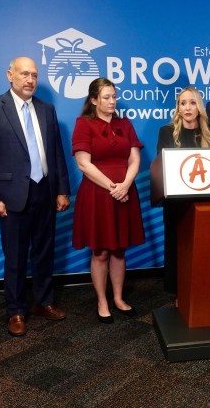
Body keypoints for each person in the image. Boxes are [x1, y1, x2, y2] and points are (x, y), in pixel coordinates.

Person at [0, 57, 70, 336]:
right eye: (24, 74)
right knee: (15, 257)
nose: (30, 79)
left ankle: (44, 302)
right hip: (12, 196)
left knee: (44, 252)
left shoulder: (47, 109)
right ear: (10, 75)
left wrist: (62, 189)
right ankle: (16, 310)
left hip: (45, 192)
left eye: (34, 74)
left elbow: (56, 153)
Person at [71, 77, 145, 324]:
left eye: (114, 96)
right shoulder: (83, 124)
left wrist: (125, 185)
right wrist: (112, 187)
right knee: (101, 251)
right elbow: (83, 163)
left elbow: (135, 159)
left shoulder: (125, 124)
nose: (112, 101)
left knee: (119, 250)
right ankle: (102, 301)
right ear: (93, 100)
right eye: (106, 97)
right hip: (97, 196)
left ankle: (118, 298)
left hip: (125, 193)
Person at [156, 86, 210, 294]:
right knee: (176, 247)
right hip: (176, 202)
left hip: (204, 202)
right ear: (178, 108)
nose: (187, 107)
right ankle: (177, 292)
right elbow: (162, 165)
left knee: (202, 247)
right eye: (183, 103)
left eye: (192, 103)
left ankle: (202, 289)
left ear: (199, 107)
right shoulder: (166, 131)